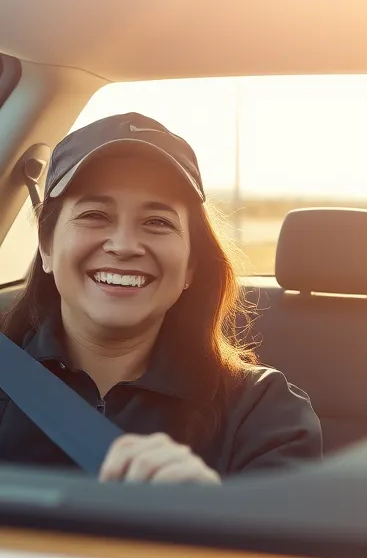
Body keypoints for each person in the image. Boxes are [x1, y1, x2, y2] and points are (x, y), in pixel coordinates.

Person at [0, 112, 322, 483]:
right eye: (94, 215)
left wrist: (207, 513)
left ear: (190, 265)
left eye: (157, 222)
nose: (123, 246)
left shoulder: (263, 410)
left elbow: (284, 539)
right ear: (46, 245)